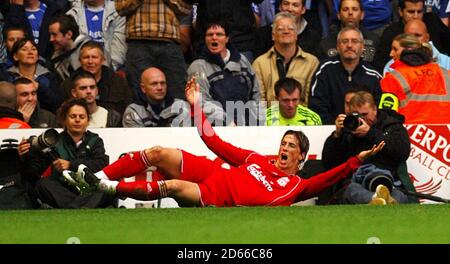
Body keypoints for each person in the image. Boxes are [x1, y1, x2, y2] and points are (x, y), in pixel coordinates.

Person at [61, 77, 385, 207]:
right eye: (283, 143)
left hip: (214, 195)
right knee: (157, 152)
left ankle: (104, 189)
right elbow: (210, 138)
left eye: (291, 148)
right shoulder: (256, 159)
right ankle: (98, 178)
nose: (284, 149)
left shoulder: (295, 186)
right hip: (212, 172)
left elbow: (327, 178)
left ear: (301, 158)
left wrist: (356, 160)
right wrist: (196, 104)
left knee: (174, 186)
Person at [17, 98, 116, 208]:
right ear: (64, 119)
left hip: (89, 186)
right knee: (43, 184)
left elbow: (101, 164)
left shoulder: (95, 140)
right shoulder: (53, 141)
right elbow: (34, 173)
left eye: (82, 117)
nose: (77, 120)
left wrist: (71, 165)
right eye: (73, 116)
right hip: (63, 189)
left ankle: (72, 207)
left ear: (88, 120)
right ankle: (81, 205)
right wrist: (25, 156)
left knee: (108, 186)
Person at [321, 91, 411, 205]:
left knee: (399, 195)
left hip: (388, 180)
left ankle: (379, 200)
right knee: (352, 191)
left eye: (364, 114)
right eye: (356, 115)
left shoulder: (392, 125)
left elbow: (402, 152)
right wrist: (337, 136)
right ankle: (379, 199)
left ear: (374, 110)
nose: (361, 119)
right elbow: (328, 164)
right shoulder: (348, 128)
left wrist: (370, 133)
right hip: (355, 181)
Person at [115, 0, 192, 103]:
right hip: (138, 42)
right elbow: (120, 8)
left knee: (178, 95)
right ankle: (140, 119)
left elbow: (186, 9)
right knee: (138, 95)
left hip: (170, 43)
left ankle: (177, 119)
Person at [187, 19, 260, 126]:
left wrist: (256, 121)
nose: (214, 37)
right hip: (215, 129)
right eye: (210, 34)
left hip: (246, 127)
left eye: (219, 34)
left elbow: (255, 93)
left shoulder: (242, 61)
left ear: (227, 38)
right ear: (205, 39)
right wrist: (228, 122)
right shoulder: (197, 66)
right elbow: (202, 102)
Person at [308, 26, 382, 125]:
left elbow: (378, 109)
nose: (349, 45)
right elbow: (316, 106)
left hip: (366, 131)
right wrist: (335, 127)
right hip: (330, 130)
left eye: (355, 41)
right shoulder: (324, 70)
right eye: (345, 41)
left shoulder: (373, 76)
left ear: (363, 47)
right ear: (337, 47)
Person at [253, 11, 319, 106]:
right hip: (270, 118)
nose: (286, 31)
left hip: (300, 118)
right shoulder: (259, 63)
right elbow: (259, 101)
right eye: (280, 29)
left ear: (296, 35)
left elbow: (310, 101)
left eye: (291, 29)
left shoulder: (311, 62)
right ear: (273, 35)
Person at [380, 39, 450, 124]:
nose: (391, 54)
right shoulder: (446, 74)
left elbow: (387, 116)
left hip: (410, 134)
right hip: (445, 134)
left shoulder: (393, 78)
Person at [60, 41, 132, 115]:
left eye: (94, 57)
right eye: (86, 57)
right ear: (80, 61)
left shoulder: (118, 82)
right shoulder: (68, 84)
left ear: (103, 60)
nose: (90, 61)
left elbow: (128, 109)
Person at [66, 0, 127, 71]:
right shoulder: (72, 14)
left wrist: (108, 70)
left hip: (109, 70)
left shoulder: (118, 13)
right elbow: (70, 49)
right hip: (80, 70)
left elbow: (119, 47)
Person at [6, 37, 63, 113]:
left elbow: (57, 104)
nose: (30, 52)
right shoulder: (6, 76)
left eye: (33, 49)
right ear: (15, 56)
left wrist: (39, 88)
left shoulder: (49, 76)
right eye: (24, 49)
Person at [123, 67, 189, 128]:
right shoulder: (133, 111)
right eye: (154, 84)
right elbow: (137, 139)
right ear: (143, 88)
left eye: (162, 83)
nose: (160, 88)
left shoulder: (181, 106)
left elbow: (183, 137)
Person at [256, 0, 322, 57]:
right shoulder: (264, 34)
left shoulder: (313, 35)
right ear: (280, 7)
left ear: (303, 10)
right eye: (286, 4)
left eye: (295, 5)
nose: (290, 9)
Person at [383, 20, 450, 75]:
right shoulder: (390, 66)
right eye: (409, 36)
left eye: (417, 35)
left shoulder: (447, 62)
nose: (413, 39)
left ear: (427, 38)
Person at [49, 14, 90, 81]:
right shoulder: (56, 57)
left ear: (69, 34)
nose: (51, 39)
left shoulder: (91, 50)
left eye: (54, 35)